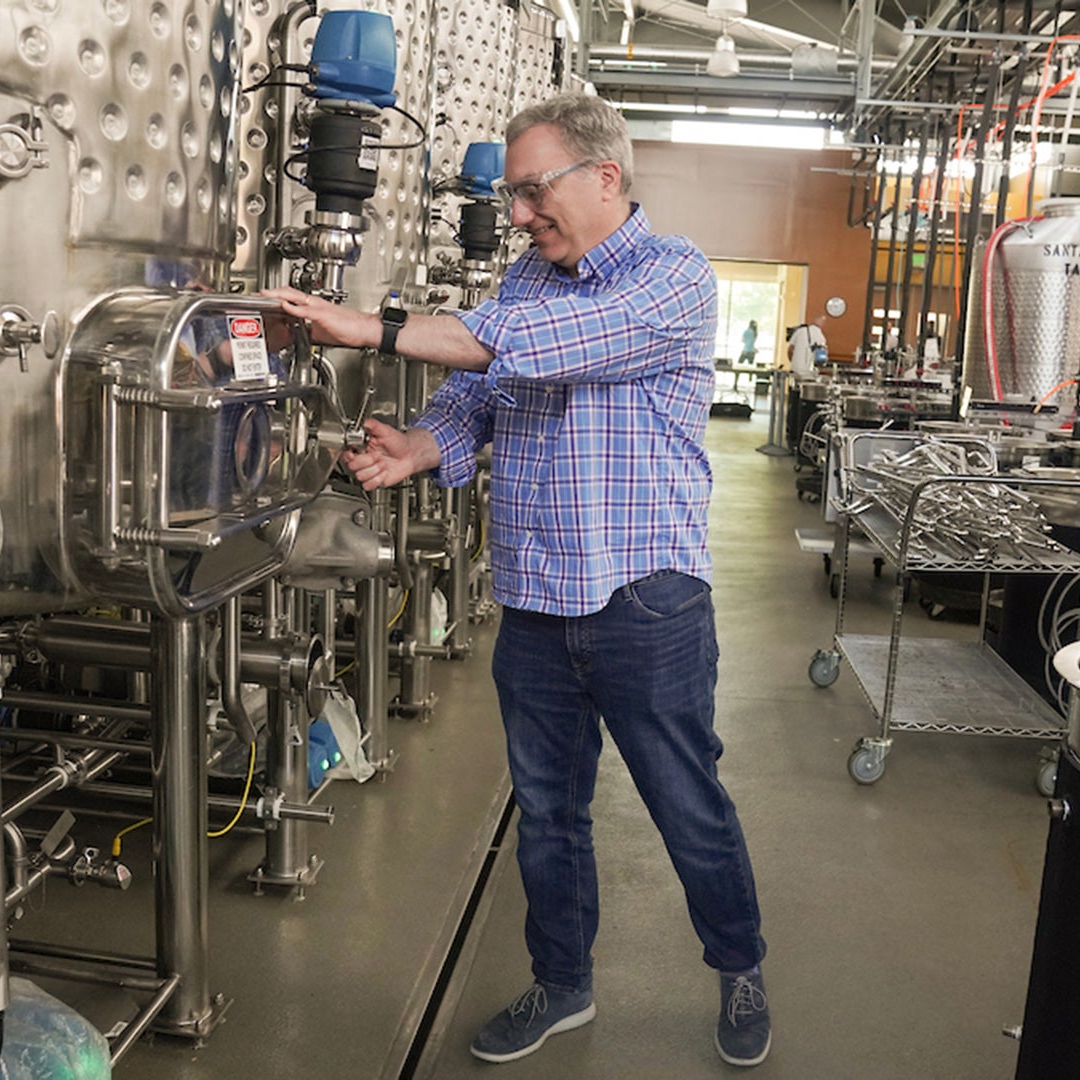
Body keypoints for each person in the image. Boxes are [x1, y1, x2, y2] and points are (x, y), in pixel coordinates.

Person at [263, 92, 770, 1068]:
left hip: (645, 597)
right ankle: (563, 984)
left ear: (606, 177)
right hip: (534, 599)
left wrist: (371, 326)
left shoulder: (675, 279)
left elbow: (529, 351)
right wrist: (418, 446)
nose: (524, 213)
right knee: (547, 815)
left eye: (534, 191)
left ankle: (740, 964)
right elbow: (476, 398)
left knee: (685, 803)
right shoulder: (526, 280)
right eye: (515, 195)